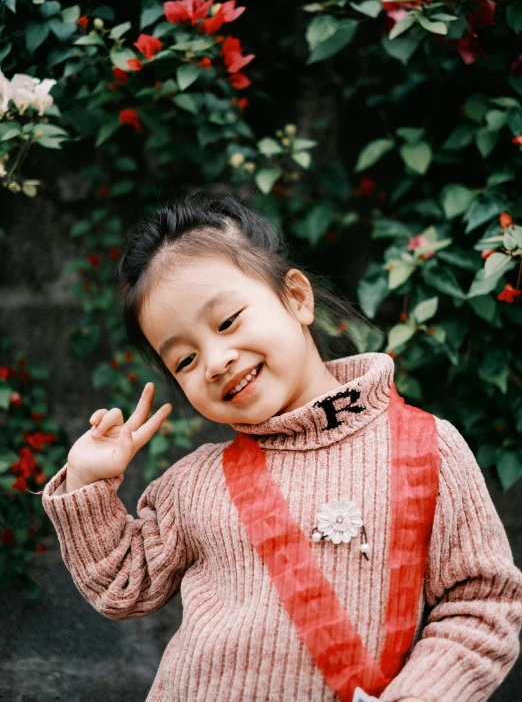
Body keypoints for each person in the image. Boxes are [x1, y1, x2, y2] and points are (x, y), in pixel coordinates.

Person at [42, 191, 522, 702]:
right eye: (184, 360)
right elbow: (123, 586)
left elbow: (481, 605)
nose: (216, 361)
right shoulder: (193, 484)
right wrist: (87, 481)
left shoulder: (427, 449)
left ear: (296, 298)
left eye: (227, 322)